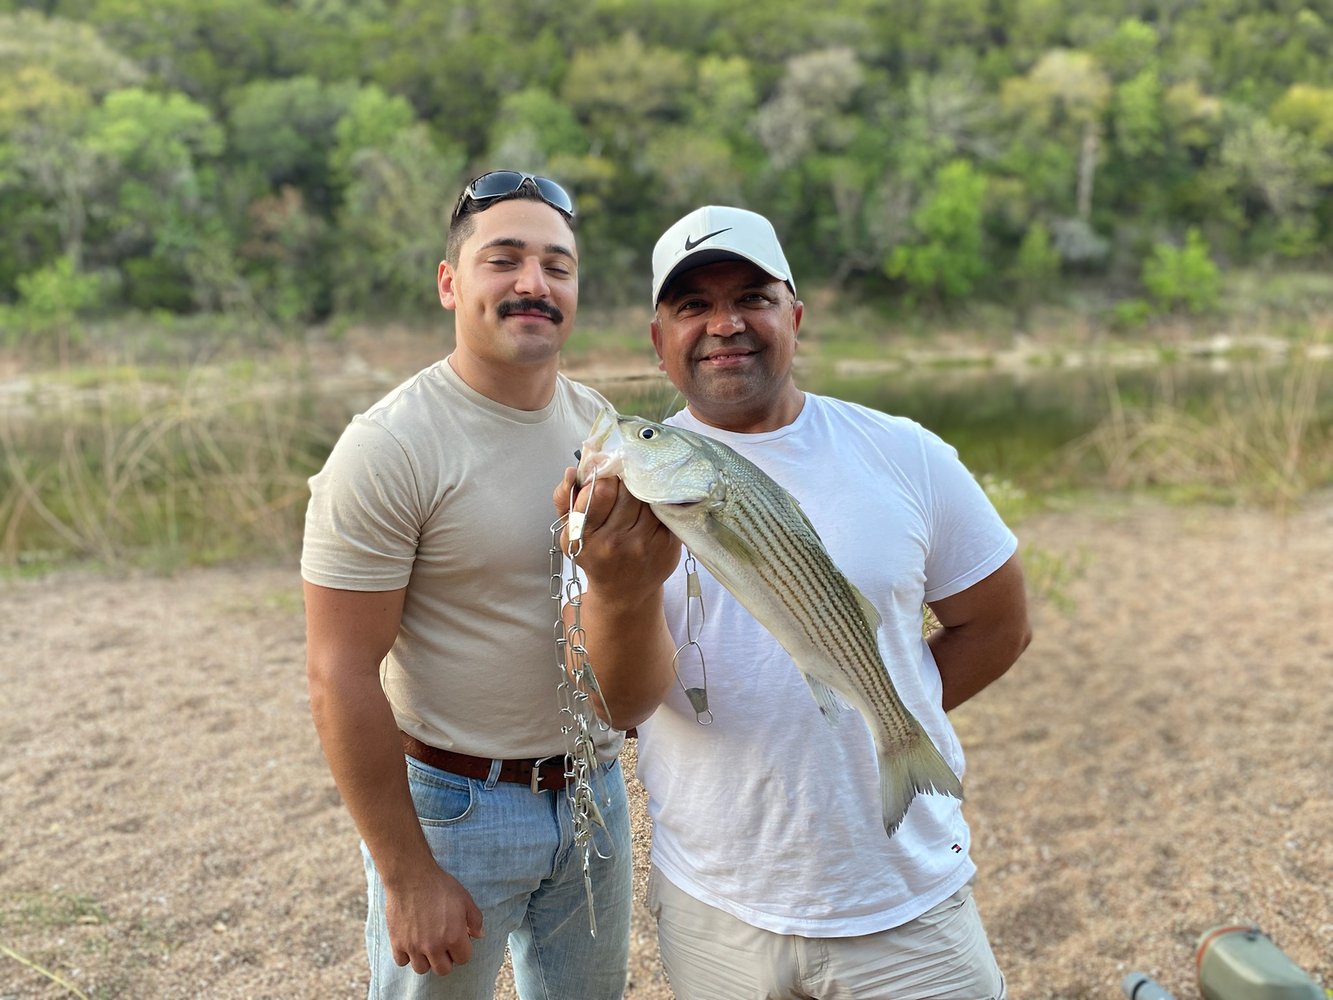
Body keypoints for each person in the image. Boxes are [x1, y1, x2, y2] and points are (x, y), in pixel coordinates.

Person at [561, 205, 1032, 999]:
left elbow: (998, 626)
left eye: (751, 297)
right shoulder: (609, 505)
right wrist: (617, 587)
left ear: (795, 316)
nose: (724, 325)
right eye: (692, 306)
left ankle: (903, 762)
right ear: (658, 338)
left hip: (905, 901)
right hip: (716, 909)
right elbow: (613, 705)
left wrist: (883, 709)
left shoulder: (905, 452)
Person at [301, 170, 636, 999]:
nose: (534, 283)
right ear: (451, 282)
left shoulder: (595, 426)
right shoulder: (389, 446)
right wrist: (406, 874)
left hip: (594, 795)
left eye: (557, 266)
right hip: (454, 810)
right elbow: (337, 672)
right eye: (505, 259)